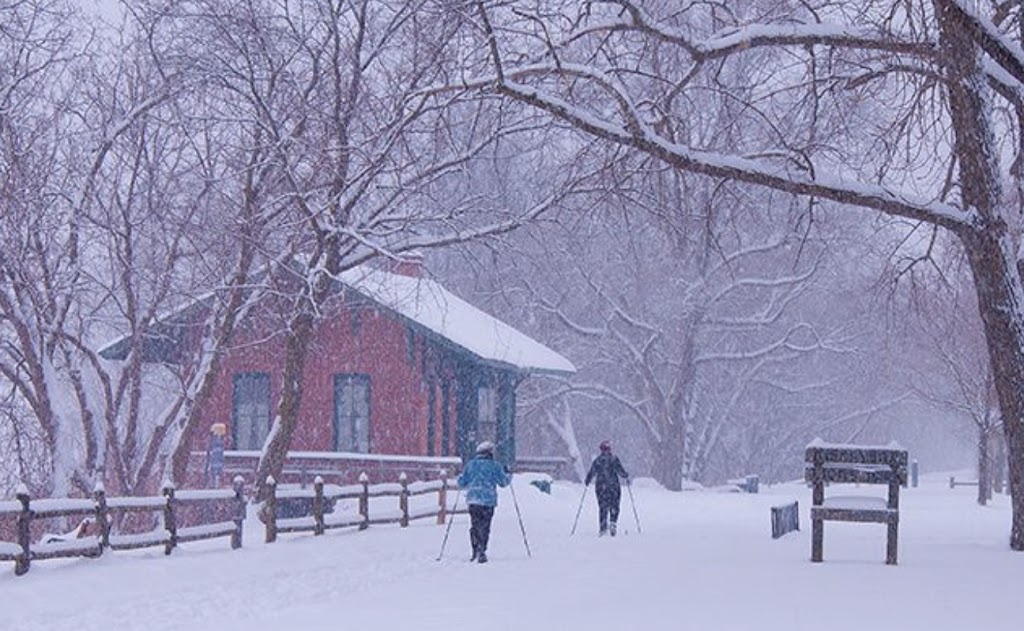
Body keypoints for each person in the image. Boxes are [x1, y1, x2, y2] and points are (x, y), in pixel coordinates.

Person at [457, 440, 511, 563]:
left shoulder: (470, 465)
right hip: (488, 500)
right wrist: (508, 473)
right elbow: (503, 482)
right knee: (485, 526)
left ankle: (475, 549)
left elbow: (461, 483)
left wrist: (461, 476)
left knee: (474, 525)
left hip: (473, 500)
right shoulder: (495, 466)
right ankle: (482, 549)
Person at [585, 440, 630, 536]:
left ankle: (603, 527)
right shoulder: (614, 459)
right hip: (614, 486)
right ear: (610, 449)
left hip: (601, 487)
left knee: (603, 507)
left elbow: (592, 472)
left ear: (601, 449)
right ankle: (613, 522)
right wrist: (625, 475)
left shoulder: (597, 460)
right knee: (614, 505)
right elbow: (621, 471)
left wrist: (587, 481)